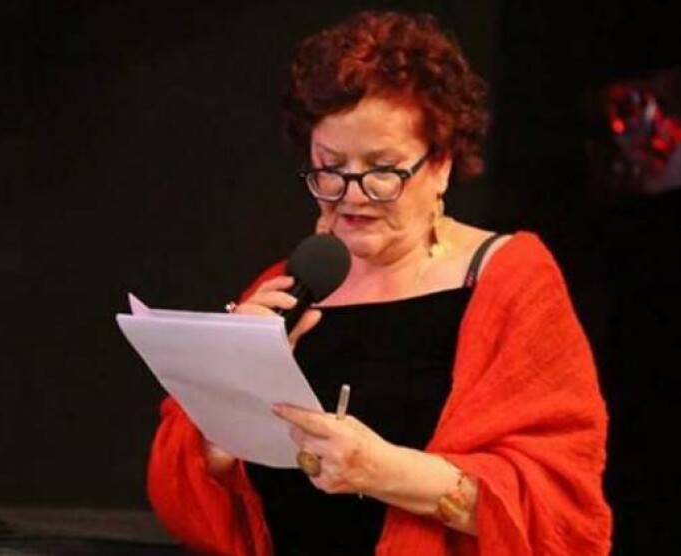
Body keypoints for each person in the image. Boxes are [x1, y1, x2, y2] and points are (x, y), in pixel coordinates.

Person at [147, 11, 611, 556]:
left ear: (441, 164)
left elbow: (560, 513)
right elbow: (190, 498)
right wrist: (221, 401)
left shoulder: (507, 279)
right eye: (330, 167)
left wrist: (382, 470)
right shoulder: (284, 286)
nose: (352, 194)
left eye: (382, 170)